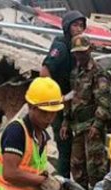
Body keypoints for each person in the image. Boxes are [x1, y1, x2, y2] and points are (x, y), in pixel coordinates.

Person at [60, 35, 111, 190]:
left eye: (82, 52)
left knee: (96, 168)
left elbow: (104, 103)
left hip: (92, 127)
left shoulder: (99, 73)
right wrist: (65, 121)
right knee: (77, 167)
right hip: (77, 127)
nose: (79, 55)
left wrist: (97, 125)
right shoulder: (75, 73)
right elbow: (71, 97)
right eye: (76, 52)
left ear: (90, 50)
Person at [40, 10, 87, 178]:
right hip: (59, 102)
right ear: (67, 27)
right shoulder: (61, 46)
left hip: (70, 100)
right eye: (75, 25)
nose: (79, 29)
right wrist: (55, 98)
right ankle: (62, 182)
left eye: (82, 25)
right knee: (64, 146)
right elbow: (45, 72)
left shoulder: (76, 46)